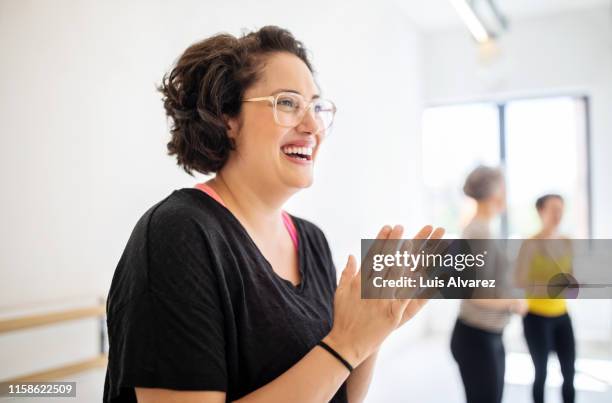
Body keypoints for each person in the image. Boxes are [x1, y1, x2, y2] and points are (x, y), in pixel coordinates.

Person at [103, 26, 444, 403]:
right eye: (288, 103)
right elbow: (336, 355)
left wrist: (372, 331)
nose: (312, 125)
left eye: (316, 106)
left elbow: (336, 394)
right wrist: (345, 344)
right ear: (226, 118)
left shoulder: (311, 240)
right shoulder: (179, 234)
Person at [450, 165, 527, 403]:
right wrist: (514, 303)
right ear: (496, 193)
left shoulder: (481, 228)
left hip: (485, 335)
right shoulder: (479, 231)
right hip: (477, 338)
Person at [515, 194, 575, 403]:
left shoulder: (567, 242)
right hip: (536, 318)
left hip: (562, 315)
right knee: (541, 373)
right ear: (541, 211)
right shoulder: (530, 244)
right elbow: (519, 282)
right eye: (553, 209)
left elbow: (571, 276)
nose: (558, 214)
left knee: (569, 372)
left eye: (561, 209)